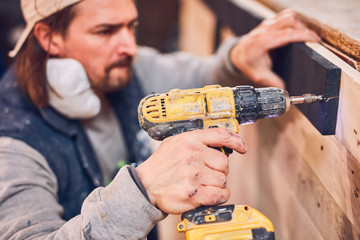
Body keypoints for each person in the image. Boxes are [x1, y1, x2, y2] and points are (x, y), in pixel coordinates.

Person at [0, 0, 320, 239]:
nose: (129, 46)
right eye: (106, 31)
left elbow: (194, 76)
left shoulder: (123, 70)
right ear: (49, 37)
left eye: (131, 26)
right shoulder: (12, 147)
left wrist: (235, 58)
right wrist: (142, 191)